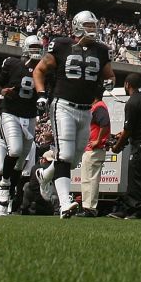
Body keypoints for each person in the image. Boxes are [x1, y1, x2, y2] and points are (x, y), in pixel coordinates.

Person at [34, 11, 112, 218]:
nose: (92, 29)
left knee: (74, 159)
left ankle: (45, 174)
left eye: (94, 25)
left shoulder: (101, 50)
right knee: (65, 155)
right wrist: (41, 94)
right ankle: (64, 203)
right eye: (88, 25)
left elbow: (109, 75)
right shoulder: (61, 45)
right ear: (77, 25)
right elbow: (39, 70)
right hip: (63, 106)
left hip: (86, 109)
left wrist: (108, 82)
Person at [0, 36, 42, 215]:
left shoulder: (43, 68)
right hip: (10, 113)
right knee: (15, 150)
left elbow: (47, 89)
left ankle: (8, 197)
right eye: (33, 47)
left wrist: (44, 99)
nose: (36, 50)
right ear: (25, 48)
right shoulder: (12, 63)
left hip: (30, 117)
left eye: (39, 47)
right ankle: (3, 186)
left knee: (19, 164)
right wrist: (2, 91)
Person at [109, 70, 141, 219]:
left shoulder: (132, 102)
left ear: (127, 84)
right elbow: (140, 125)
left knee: (135, 178)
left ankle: (138, 209)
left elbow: (128, 130)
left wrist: (117, 147)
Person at [78, 95, 113, 214]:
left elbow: (105, 123)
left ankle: (89, 208)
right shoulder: (99, 107)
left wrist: (98, 140)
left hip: (94, 149)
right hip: (94, 149)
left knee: (89, 179)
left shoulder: (99, 107)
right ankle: (88, 207)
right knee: (89, 178)